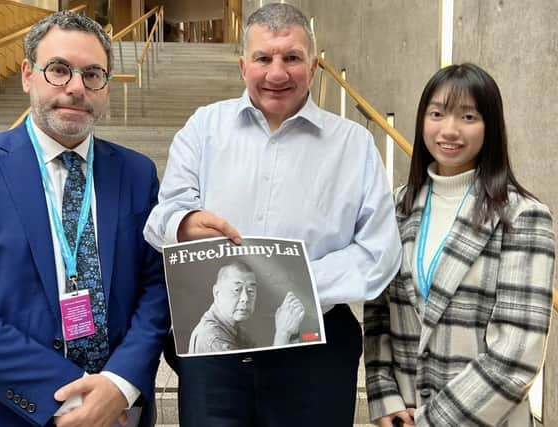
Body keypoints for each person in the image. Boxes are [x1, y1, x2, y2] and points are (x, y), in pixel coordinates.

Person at [143, 3, 401, 426]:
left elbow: (379, 253)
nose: (277, 74)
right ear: (243, 64)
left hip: (315, 347)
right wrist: (184, 224)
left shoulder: (353, 145)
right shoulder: (203, 127)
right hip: (218, 354)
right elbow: (161, 217)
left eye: (292, 58)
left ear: (314, 65)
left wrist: (291, 285)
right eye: (263, 58)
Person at [0, 11, 169, 427]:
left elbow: (155, 289)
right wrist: (75, 402)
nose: (76, 88)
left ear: (106, 85)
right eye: (58, 70)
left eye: (93, 74)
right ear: (26, 75)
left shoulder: (136, 173)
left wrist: (119, 384)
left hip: (116, 412)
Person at [363, 63, 555, 427]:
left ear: (490, 127)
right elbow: (377, 317)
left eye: (468, 116)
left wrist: (431, 422)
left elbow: (516, 355)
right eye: (437, 114)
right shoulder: (396, 207)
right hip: (403, 414)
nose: (449, 130)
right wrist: (384, 397)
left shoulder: (522, 217)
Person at [188, 261, 305, 354]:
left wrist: (291, 332)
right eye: (236, 290)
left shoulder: (236, 330)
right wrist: (282, 334)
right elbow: (268, 380)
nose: (245, 298)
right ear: (217, 292)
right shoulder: (213, 339)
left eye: (251, 291)